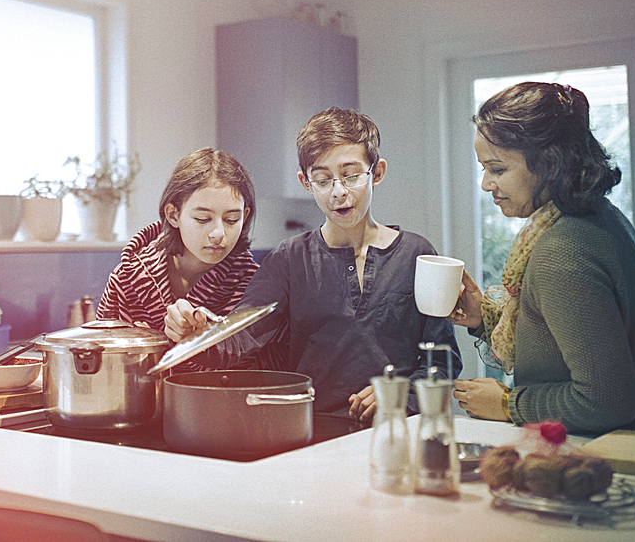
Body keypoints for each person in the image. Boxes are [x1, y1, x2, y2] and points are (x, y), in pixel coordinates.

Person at [165, 108, 462, 421]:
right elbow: (239, 339)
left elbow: (442, 360)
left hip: (399, 430)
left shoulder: (417, 254)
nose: (338, 192)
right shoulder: (288, 260)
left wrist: (402, 392)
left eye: (351, 175)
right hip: (315, 434)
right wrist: (197, 333)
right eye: (322, 180)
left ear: (376, 172)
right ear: (305, 183)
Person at [449, 81, 635, 435]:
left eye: (497, 169)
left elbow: (607, 401)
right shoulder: (597, 217)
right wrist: (483, 319)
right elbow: (566, 340)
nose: (486, 183)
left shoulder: (561, 250)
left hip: (616, 464)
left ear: (549, 163)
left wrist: (507, 404)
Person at [96, 148, 259, 369]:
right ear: (173, 215)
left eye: (231, 219)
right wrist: (140, 348)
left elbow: (263, 368)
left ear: (245, 216)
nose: (218, 233)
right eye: (203, 219)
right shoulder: (127, 278)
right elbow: (101, 356)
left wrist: (206, 341)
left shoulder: (255, 284)